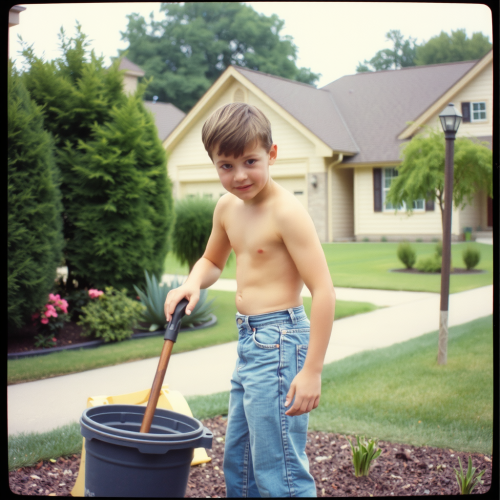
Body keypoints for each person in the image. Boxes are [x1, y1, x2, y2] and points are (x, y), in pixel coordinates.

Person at [165, 102, 335, 497]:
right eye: (226, 165)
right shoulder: (227, 208)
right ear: (213, 163)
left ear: (272, 154)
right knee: (239, 463)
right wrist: (192, 282)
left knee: (280, 472)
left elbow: (323, 290)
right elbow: (212, 260)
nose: (239, 175)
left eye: (250, 161)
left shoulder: (287, 213)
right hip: (250, 343)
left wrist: (312, 370)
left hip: (280, 342)